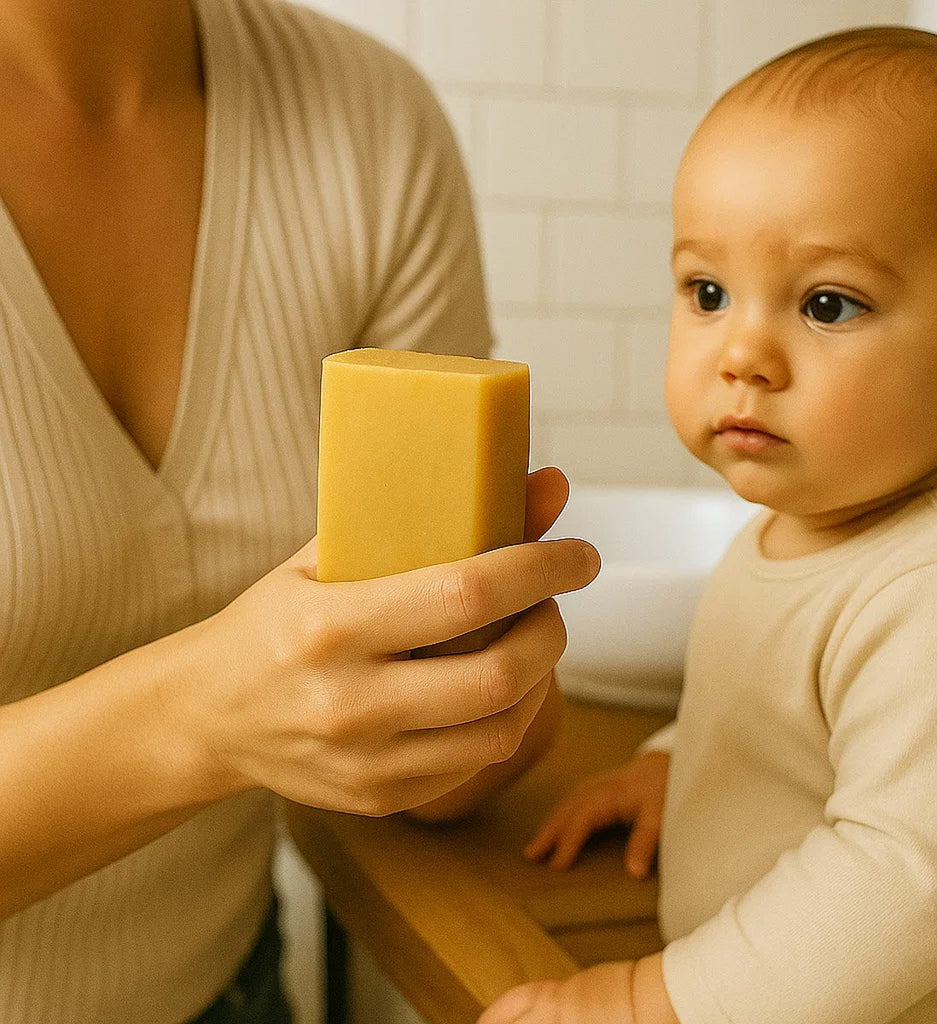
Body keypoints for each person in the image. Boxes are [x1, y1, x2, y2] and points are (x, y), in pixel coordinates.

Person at [0, 1, 601, 1022]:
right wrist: (200, 717)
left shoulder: (369, 122)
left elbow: (432, 740)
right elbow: (237, 707)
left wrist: (473, 702)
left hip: (231, 990)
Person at [479, 25, 937, 1024]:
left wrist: (651, 1000)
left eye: (825, 303)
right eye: (708, 291)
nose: (742, 353)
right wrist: (679, 762)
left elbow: (903, 881)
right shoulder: (801, 522)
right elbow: (784, 709)